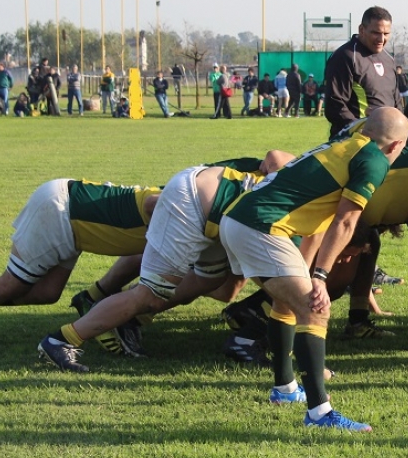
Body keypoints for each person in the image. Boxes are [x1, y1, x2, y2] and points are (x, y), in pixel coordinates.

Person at [218, 107, 408, 431]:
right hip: (260, 226)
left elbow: (318, 224)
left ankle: (284, 389)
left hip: (241, 218)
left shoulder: (347, 143)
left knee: (287, 304)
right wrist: (320, 278)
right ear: (394, 147)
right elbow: (347, 220)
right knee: (315, 309)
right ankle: (320, 415)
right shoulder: (374, 159)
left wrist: (311, 270)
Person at [37, 154, 295, 373]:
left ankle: (122, 313)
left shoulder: (323, 187)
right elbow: (276, 157)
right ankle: (62, 340)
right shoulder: (321, 185)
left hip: (215, 213)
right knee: (149, 295)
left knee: (211, 279)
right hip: (194, 203)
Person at [0, 179, 160, 341]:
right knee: (11, 285)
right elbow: (152, 204)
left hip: (73, 219)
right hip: (62, 209)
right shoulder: (184, 205)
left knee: (48, 292)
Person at [324, 5, 403, 138]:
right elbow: (335, 104)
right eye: (376, 33)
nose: (381, 39)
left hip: (387, 141)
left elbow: (397, 101)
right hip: (354, 142)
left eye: (386, 34)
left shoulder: (389, 59)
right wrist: (363, 130)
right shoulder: (346, 56)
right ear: (362, 29)